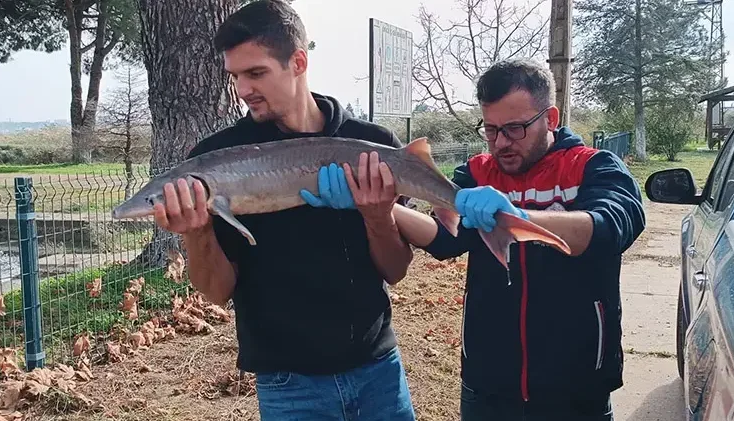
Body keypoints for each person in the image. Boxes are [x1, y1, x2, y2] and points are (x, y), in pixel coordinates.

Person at [150, 1, 416, 419]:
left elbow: (396, 271)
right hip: (289, 386)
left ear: (298, 62)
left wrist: (377, 215)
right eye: (235, 76)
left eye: (256, 73)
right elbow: (216, 292)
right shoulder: (215, 159)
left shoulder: (372, 146)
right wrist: (197, 232)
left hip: (378, 368)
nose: (242, 90)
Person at [392, 59, 646, 420]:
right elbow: (445, 239)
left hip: (576, 390)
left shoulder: (593, 167)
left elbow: (611, 226)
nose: (501, 143)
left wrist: (518, 219)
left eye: (515, 129)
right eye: (491, 129)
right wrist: (382, 207)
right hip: (487, 388)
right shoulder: (477, 173)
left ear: (551, 118)